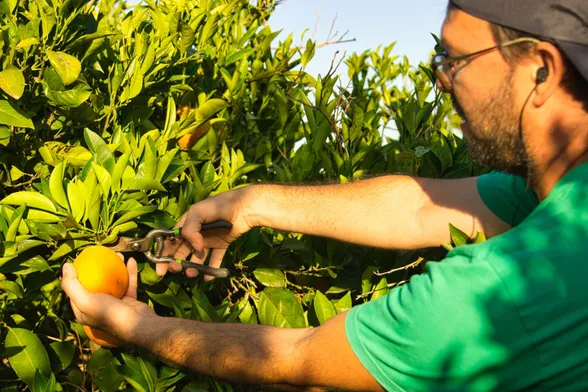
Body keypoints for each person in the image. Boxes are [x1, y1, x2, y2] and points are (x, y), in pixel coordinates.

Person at [62, 1, 588, 390]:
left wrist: (137, 328)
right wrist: (252, 203)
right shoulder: (560, 198)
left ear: (541, 69)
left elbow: (303, 363)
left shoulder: (510, 287)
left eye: (455, 59)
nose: (443, 80)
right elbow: (422, 206)